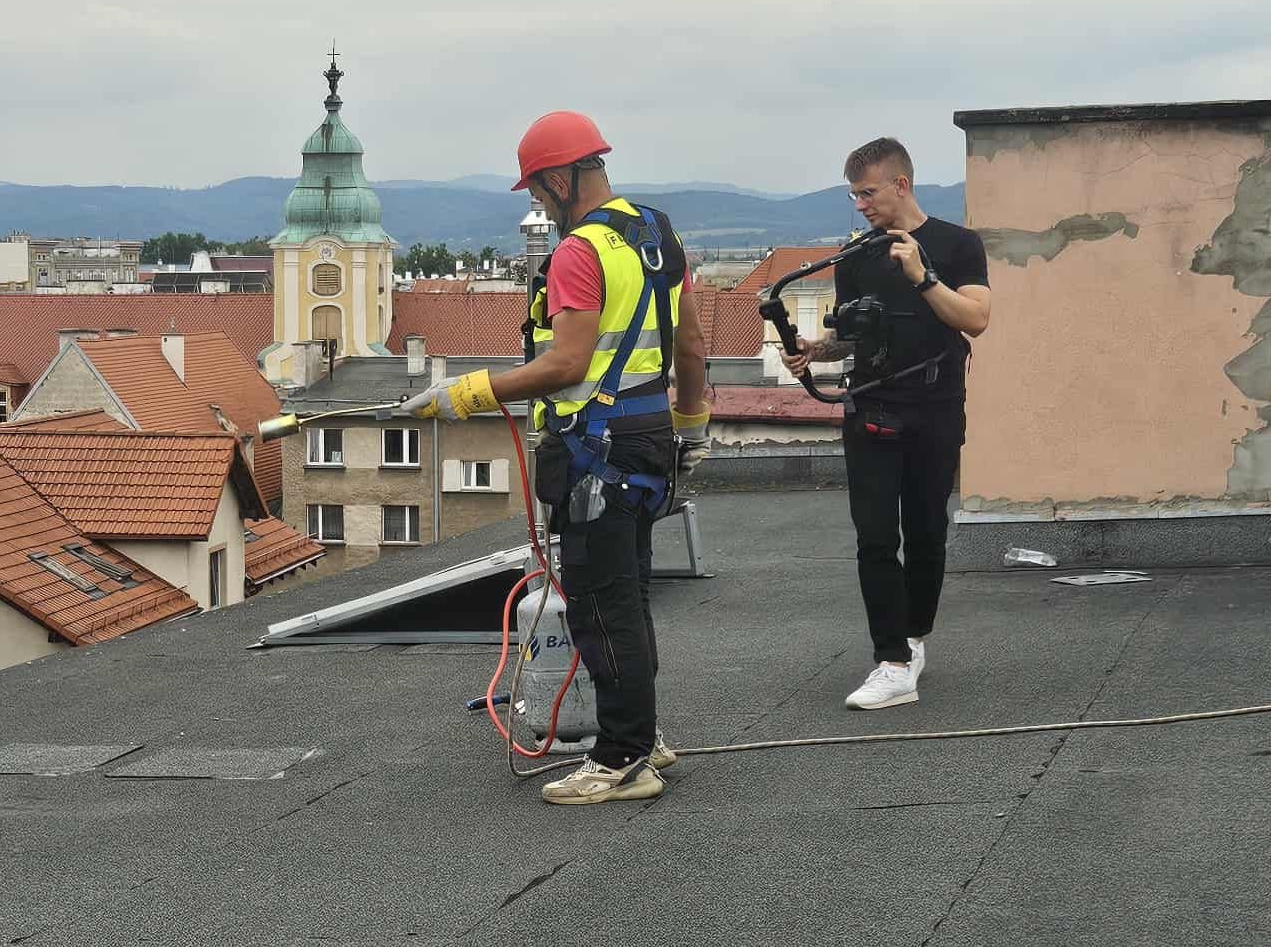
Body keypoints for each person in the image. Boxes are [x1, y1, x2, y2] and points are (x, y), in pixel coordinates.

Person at [401, 111, 710, 805]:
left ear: (563, 177)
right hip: (650, 440)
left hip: (595, 452)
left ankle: (624, 757)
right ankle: (643, 733)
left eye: (539, 189)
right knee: (628, 597)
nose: (539, 202)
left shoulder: (579, 252)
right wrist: (692, 430)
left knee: (601, 608)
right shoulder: (658, 234)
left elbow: (568, 361)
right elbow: (690, 347)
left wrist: (466, 393)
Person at [784, 137, 991, 710]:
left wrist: (923, 276)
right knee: (876, 537)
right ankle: (891, 659)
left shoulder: (957, 244)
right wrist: (815, 352)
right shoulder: (856, 256)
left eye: (868, 192)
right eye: (854, 195)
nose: (861, 205)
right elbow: (852, 336)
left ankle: (914, 635)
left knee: (926, 532)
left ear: (900, 184)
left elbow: (976, 319)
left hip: (935, 408)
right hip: (871, 408)